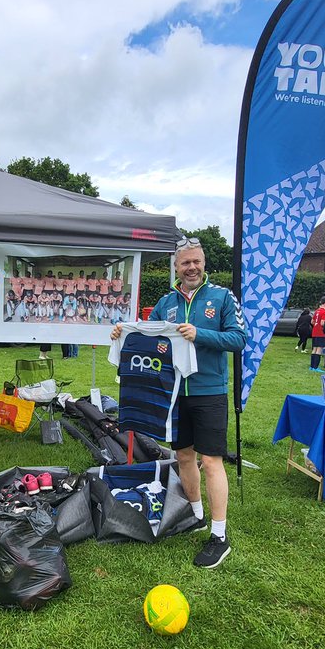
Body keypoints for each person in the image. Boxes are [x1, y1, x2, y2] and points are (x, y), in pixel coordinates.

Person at [110, 237, 247, 569]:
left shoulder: (222, 297)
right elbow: (149, 333)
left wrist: (199, 334)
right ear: (176, 267)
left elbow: (239, 339)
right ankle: (196, 515)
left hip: (209, 392)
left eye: (196, 261)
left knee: (212, 462)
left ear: (204, 263)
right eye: (185, 263)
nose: (192, 267)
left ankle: (219, 536)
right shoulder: (166, 302)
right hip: (172, 393)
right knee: (184, 457)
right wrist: (123, 334)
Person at [309, 296, 325, 371]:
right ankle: (316, 367)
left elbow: (312, 321)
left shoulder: (317, 311)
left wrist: (316, 324)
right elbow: (322, 323)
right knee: (319, 349)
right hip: (321, 332)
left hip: (314, 331)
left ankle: (311, 366)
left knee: (314, 349)